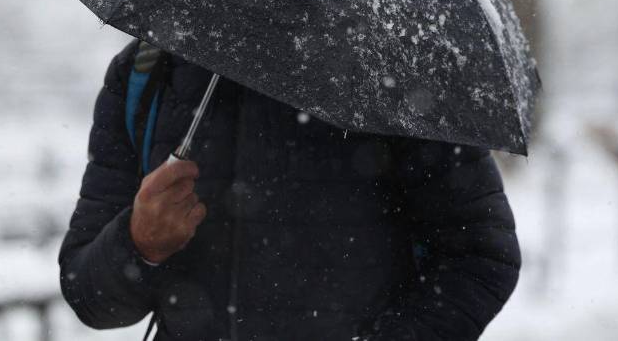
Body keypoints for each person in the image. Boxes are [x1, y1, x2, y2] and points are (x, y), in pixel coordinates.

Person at [59, 39, 521, 341]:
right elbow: (91, 300)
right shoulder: (148, 71)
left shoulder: (400, 69)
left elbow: (480, 258)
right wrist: (140, 243)